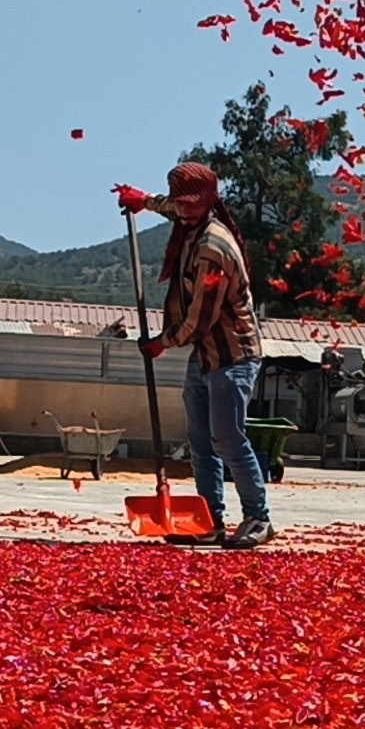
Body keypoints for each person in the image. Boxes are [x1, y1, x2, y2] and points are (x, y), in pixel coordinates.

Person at [114, 163, 274, 549]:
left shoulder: (212, 248)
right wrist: (143, 201)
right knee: (200, 441)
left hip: (232, 355)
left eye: (190, 204)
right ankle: (210, 519)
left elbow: (199, 320)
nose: (183, 210)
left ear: (207, 202)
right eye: (179, 203)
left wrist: (160, 343)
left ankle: (258, 518)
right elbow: (171, 207)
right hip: (204, 357)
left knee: (227, 438)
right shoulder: (189, 221)